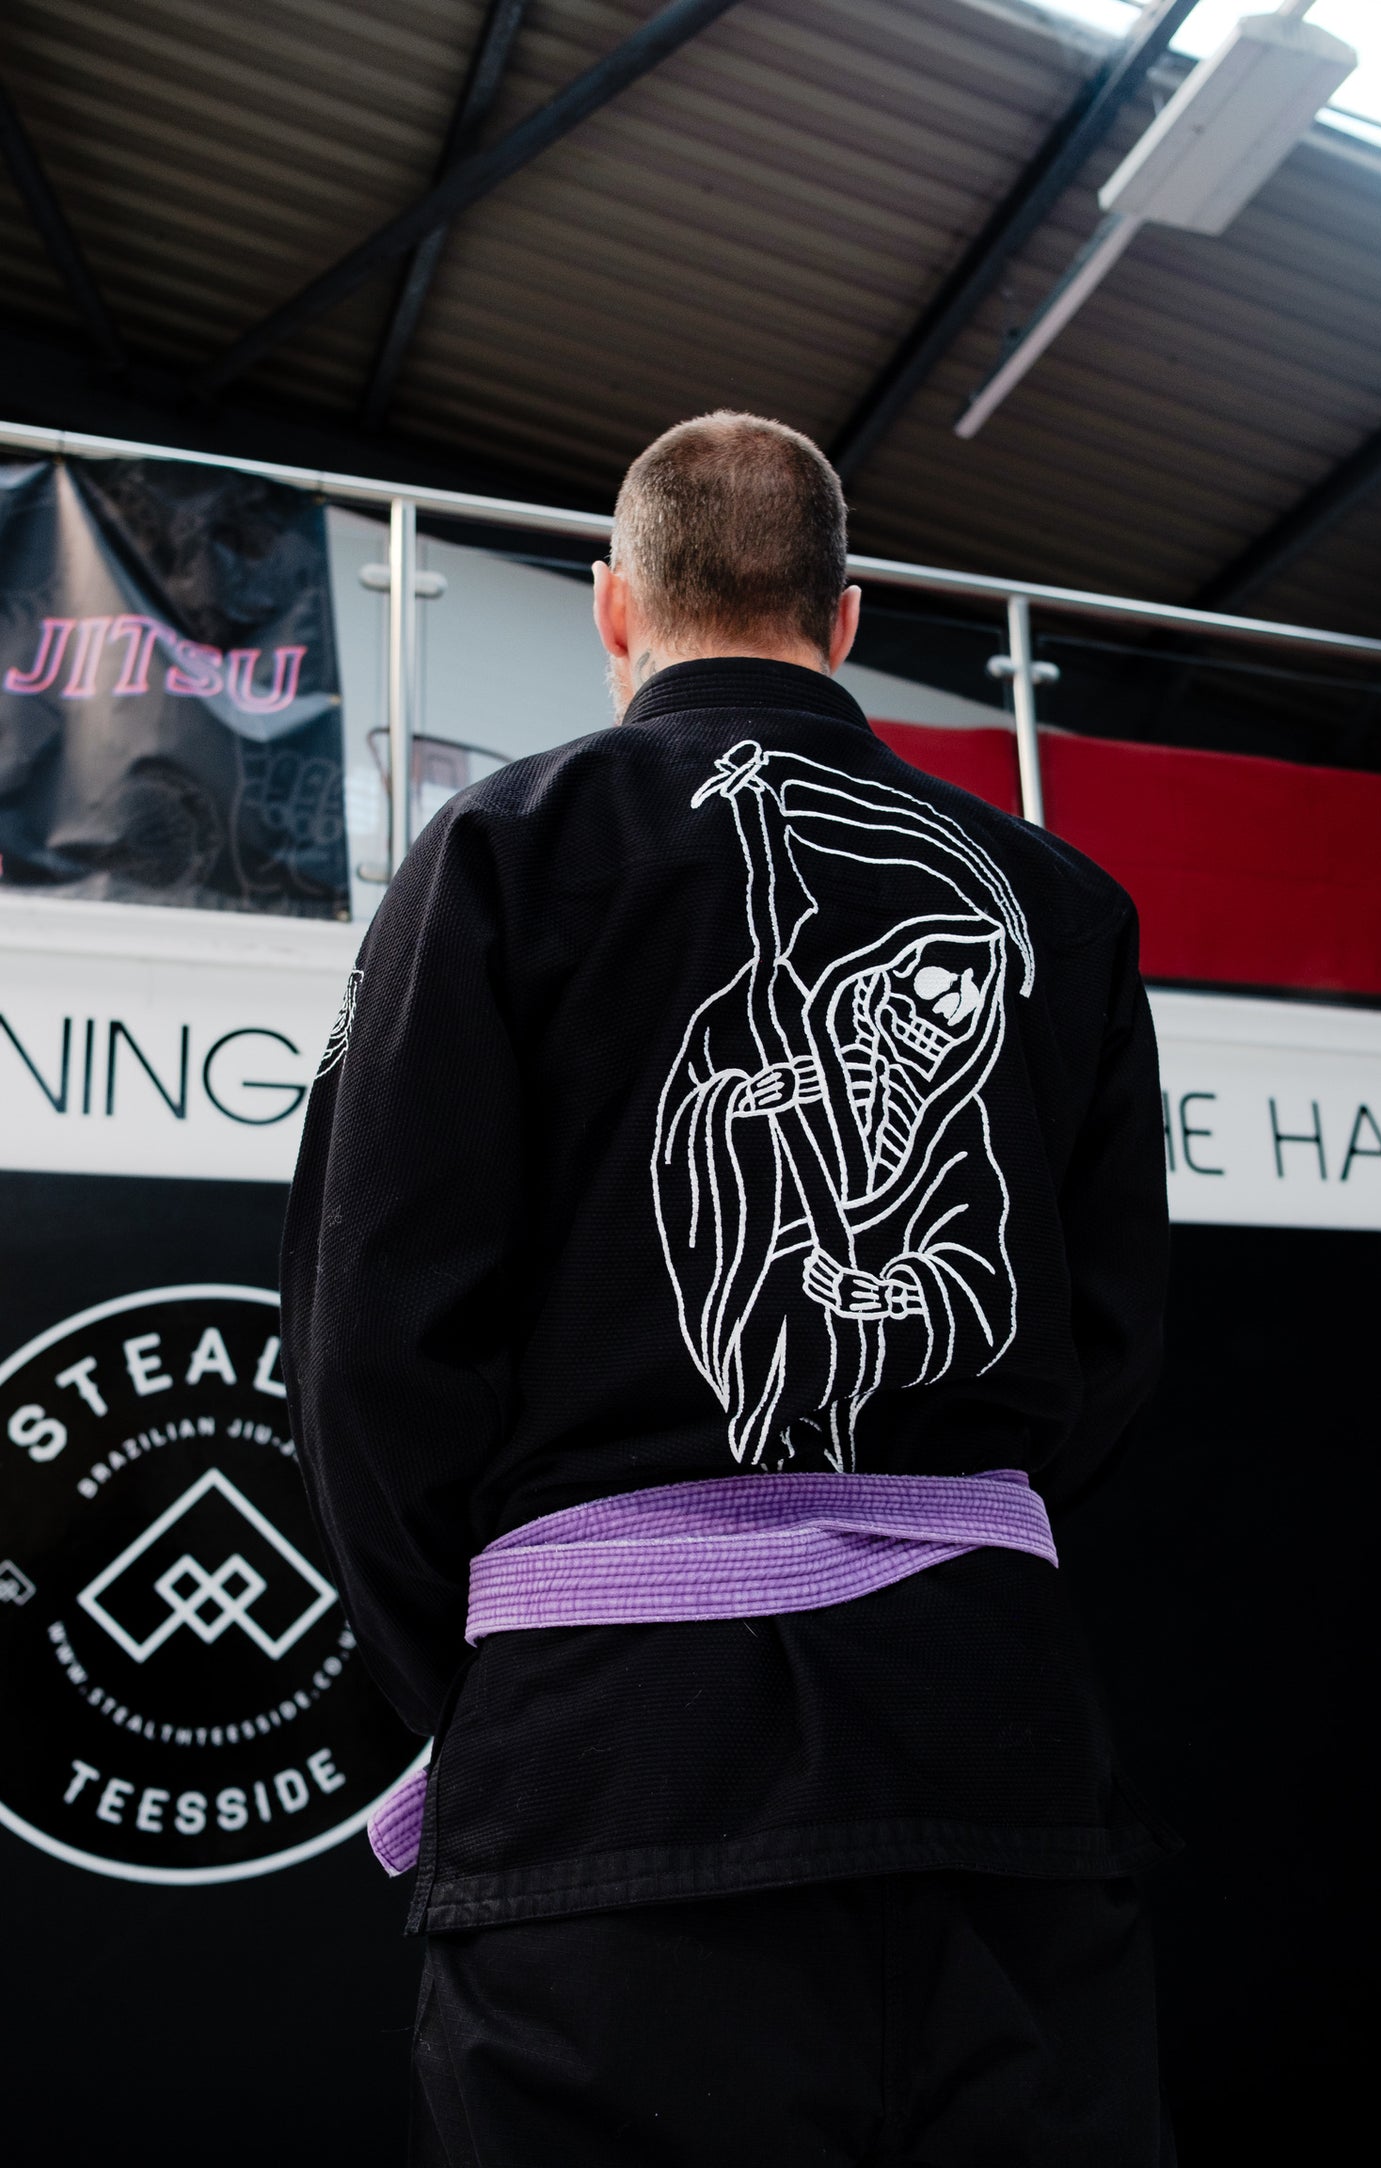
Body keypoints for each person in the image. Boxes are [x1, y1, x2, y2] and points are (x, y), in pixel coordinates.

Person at [280, 412, 1173, 2166]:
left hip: (615, 1763)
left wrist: (488, 1675)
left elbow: (368, 1339)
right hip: (985, 1750)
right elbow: (1112, 1349)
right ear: (843, 620)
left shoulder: (499, 854)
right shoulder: (1064, 904)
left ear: (614, 612)